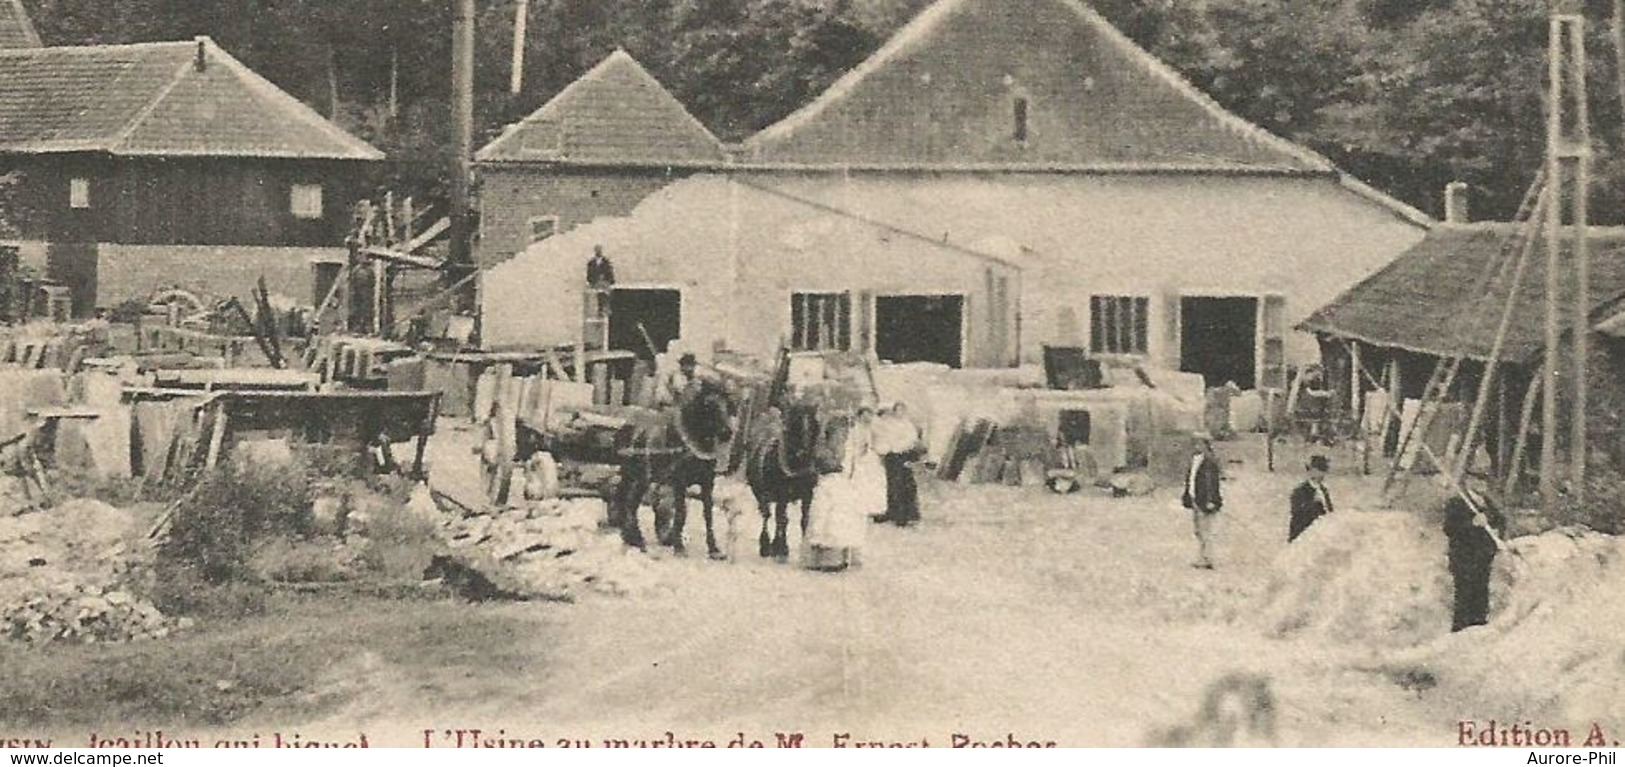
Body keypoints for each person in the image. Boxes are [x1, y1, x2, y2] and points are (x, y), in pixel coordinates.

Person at [805, 405, 885, 572]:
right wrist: (835, 466)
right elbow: (823, 459)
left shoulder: (853, 440)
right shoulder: (828, 443)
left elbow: (859, 461)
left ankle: (839, 557)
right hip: (833, 480)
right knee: (829, 517)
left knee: (838, 518)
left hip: (845, 482)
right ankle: (827, 559)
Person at [1442, 477, 1506, 632]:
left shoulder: (1486, 502)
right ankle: (1460, 634)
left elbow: (1502, 521)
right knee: (1464, 597)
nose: (1482, 483)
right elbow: (1449, 528)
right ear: (1469, 482)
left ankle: (1477, 633)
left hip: (1483, 557)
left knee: (1481, 596)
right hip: (1464, 558)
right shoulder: (1457, 502)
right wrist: (1472, 524)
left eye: (1485, 479)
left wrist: (1493, 525)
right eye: (1477, 479)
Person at [871, 402, 924, 526]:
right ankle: (891, 512)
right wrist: (886, 447)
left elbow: (911, 440)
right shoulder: (889, 424)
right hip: (891, 457)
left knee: (904, 485)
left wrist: (897, 446)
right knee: (891, 484)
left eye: (902, 410)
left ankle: (905, 515)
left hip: (903, 456)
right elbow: (882, 437)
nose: (899, 413)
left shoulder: (908, 425)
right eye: (897, 410)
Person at [1181, 432, 1222, 569]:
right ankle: (1202, 556)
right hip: (1195, 498)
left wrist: (1211, 500)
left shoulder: (1209, 462)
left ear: (1206, 445)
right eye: (1194, 443)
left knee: (1206, 530)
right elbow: (1191, 479)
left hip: (1205, 500)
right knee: (1198, 530)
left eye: (1199, 443)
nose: (1196, 446)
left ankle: (1208, 558)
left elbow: (1211, 483)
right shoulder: (1194, 459)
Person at [1288, 455, 1335, 542]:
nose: (1321, 474)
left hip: (1322, 535)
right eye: (1318, 470)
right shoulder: (1300, 490)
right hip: (1304, 536)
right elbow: (1297, 513)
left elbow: (1329, 511)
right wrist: (1314, 504)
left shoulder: (1324, 490)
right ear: (1311, 471)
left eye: (1323, 471)